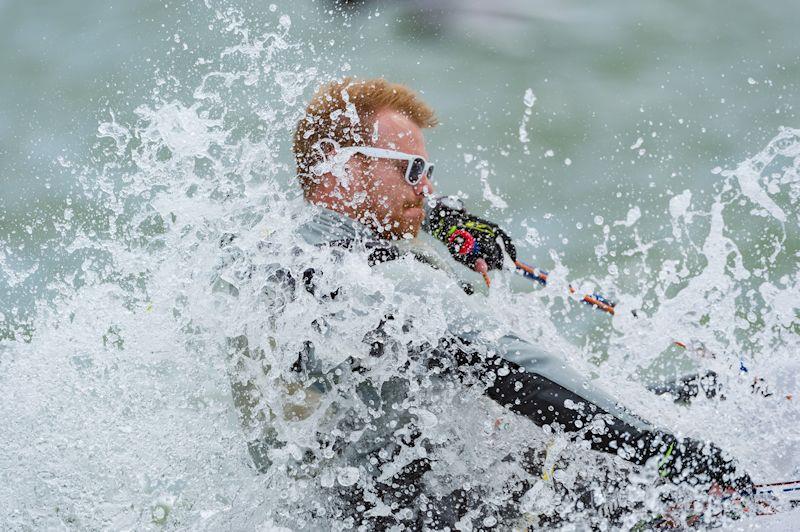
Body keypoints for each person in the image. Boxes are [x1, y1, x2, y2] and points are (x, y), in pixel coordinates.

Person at [215, 77, 752, 529]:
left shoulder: (284, 252)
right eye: (411, 171)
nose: (424, 189)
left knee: (695, 390)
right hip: (415, 511)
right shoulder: (366, 283)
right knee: (662, 482)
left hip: (360, 500)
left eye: (429, 174)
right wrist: (668, 452)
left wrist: (435, 220)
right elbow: (513, 366)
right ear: (344, 168)